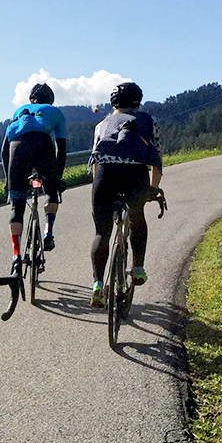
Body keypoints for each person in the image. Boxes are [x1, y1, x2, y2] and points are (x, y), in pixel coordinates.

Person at [87, 82, 163, 307]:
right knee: (137, 217)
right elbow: (156, 159)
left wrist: (99, 190)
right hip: (134, 175)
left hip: (104, 175)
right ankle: (137, 268)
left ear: (113, 104)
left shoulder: (101, 125)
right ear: (137, 102)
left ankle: (98, 285)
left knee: (101, 232)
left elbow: (95, 161)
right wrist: (153, 188)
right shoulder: (149, 121)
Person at [0, 82, 67, 270]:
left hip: (17, 147)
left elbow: (4, 151)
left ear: (31, 99)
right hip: (43, 145)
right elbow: (61, 148)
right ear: (50, 100)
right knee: (51, 192)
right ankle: (48, 232)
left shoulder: (19, 111)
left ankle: (16, 255)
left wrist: (9, 181)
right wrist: (56, 177)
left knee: (17, 205)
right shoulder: (54, 111)